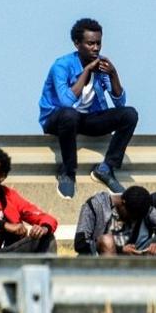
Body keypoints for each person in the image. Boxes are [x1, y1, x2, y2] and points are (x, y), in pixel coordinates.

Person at [38, 18, 138, 199]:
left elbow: (119, 103)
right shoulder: (61, 66)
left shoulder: (101, 65)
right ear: (77, 44)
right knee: (70, 115)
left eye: (98, 43)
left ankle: (106, 169)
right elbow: (66, 102)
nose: (96, 48)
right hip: (57, 118)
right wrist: (86, 72)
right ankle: (68, 172)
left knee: (130, 115)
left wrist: (113, 73)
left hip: (86, 119)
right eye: (90, 43)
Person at [74, 186, 156, 256]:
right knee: (107, 240)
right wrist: (120, 249)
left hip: (138, 253)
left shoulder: (141, 205)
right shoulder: (96, 205)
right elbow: (80, 243)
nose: (134, 220)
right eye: (132, 216)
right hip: (105, 257)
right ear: (123, 203)